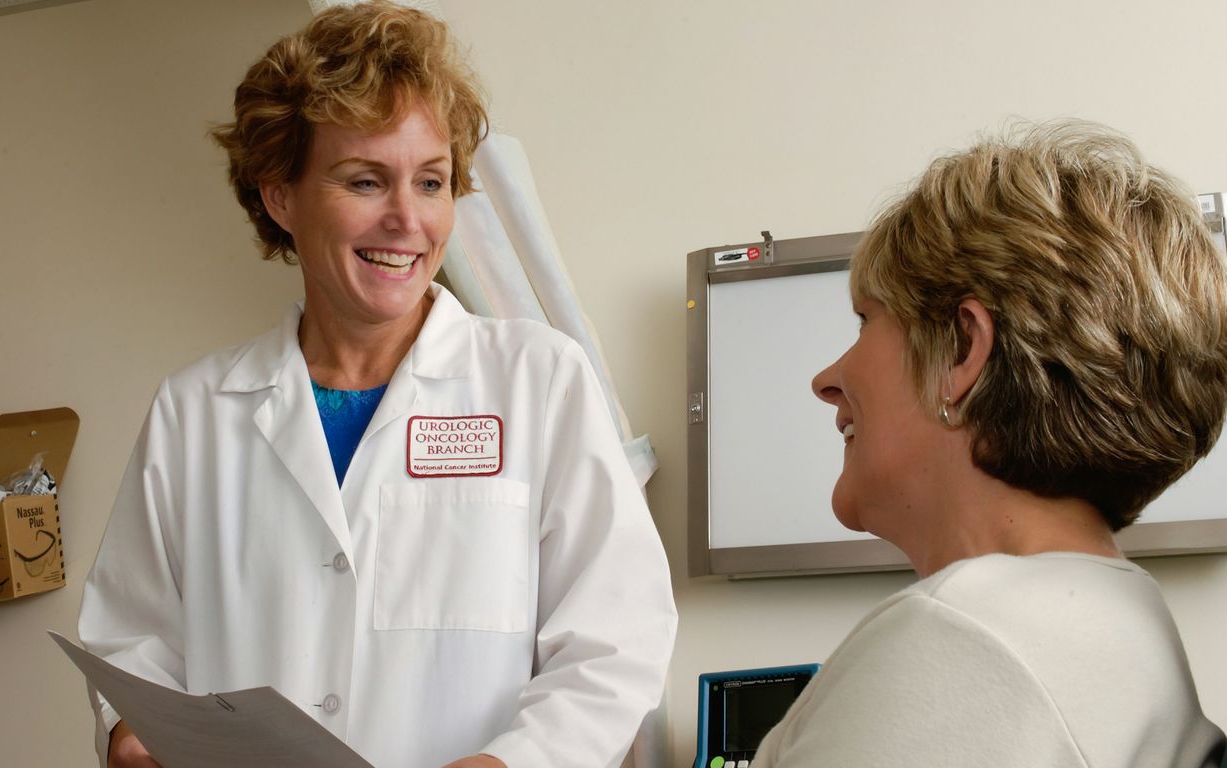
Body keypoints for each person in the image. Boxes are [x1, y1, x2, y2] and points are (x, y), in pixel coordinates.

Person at [77, 4, 677, 767]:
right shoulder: (194, 412)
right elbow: (130, 638)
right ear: (280, 197)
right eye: (365, 180)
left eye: (431, 182)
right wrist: (132, 734)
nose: (408, 220)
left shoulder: (539, 382)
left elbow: (615, 639)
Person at [752, 122, 1227, 767]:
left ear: (961, 351)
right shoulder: (1119, 615)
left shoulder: (964, 642)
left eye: (866, 321)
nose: (825, 381)